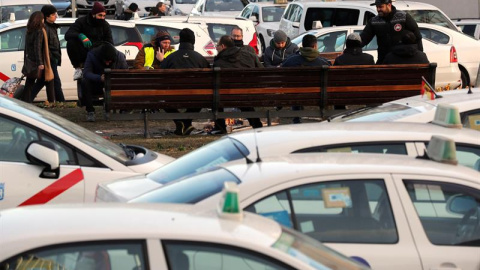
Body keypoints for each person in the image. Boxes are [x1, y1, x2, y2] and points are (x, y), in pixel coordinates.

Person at [161, 28, 210, 135]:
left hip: (172, 96)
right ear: (193, 41)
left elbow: (161, 76)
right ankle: (186, 122)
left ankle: (180, 122)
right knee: (203, 95)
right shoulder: (200, 59)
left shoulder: (170, 58)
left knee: (161, 98)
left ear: (180, 40)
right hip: (196, 96)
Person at [212, 35, 264, 134]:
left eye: (217, 45)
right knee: (243, 97)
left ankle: (220, 126)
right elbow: (262, 71)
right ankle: (257, 125)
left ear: (223, 46)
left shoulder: (219, 62)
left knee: (217, 97)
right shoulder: (249, 55)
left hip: (227, 96)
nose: (216, 47)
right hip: (250, 94)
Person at [282, 34, 331, 123]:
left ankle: (296, 119)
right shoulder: (323, 63)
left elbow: (282, 68)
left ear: (303, 46)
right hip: (319, 95)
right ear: (315, 46)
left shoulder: (291, 61)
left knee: (296, 89)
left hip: (296, 96)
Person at [360, 0, 423, 64]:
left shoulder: (404, 17)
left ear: (389, 5)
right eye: (377, 7)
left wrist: (420, 56)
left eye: (381, 7)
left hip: (401, 60)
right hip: (383, 61)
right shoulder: (374, 21)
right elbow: (364, 38)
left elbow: (417, 37)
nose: (378, 9)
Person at [65, 2, 113, 80]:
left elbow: (110, 41)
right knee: (71, 42)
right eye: (100, 15)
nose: (102, 18)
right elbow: (68, 35)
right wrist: (80, 35)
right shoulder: (81, 21)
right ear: (93, 14)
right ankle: (78, 68)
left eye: (104, 16)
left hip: (98, 53)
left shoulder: (105, 25)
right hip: (84, 52)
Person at [82, 43, 128, 121]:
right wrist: (99, 78)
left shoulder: (119, 56)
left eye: (109, 61)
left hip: (114, 84)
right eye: (105, 61)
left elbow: (125, 74)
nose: (107, 63)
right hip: (98, 83)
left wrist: (114, 78)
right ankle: (90, 111)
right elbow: (86, 73)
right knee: (85, 82)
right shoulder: (92, 55)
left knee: (125, 83)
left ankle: (123, 109)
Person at [31, 4, 65, 103]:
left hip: (51, 59)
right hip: (49, 60)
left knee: (42, 82)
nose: (56, 16)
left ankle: (26, 100)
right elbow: (40, 47)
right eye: (53, 14)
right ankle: (61, 102)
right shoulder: (44, 28)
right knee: (56, 82)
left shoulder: (51, 27)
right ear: (46, 16)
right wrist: (44, 61)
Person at [21, 11, 55, 103]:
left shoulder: (29, 30)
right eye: (43, 18)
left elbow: (27, 48)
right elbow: (38, 47)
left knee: (30, 82)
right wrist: (40, 63)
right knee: (50, 80)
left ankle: (26, 101)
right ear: (40, 20)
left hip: (31, 60)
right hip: (39, 61)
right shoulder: (39, 31)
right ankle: (51, 103)